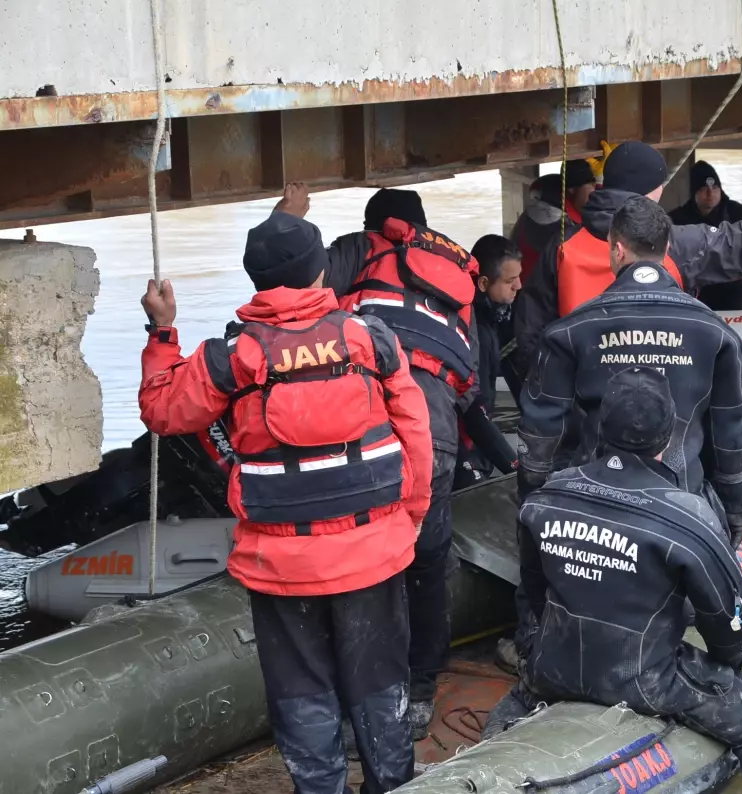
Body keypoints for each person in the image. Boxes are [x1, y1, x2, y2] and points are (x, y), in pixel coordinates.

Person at [137, 210, 434, 794]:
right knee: (380, 687)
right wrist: (408, 523)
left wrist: (162, 332)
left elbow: (163, 411)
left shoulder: (230, 357)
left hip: (282, 568)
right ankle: (392, 785)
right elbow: (416, 437)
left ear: (255, 280)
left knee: (303, 693)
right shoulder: (371, 338)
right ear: (321, 269)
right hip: (373, 554)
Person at [486, 366, 742, 794]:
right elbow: (730, 627)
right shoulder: (688, 516)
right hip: (644, 679)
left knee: (503, 717)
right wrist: (726, 671)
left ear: (601, 426)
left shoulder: (547, 496)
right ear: (669, 435)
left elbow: (533, 594)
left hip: (551, 668)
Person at [273, 182, 486, 739]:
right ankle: (417, 692)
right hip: (434, 430)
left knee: (364, 562)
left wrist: (289, 213)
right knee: (427, 562)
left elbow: (288, 282)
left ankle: (358, 699)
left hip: (368, 427)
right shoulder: (455, 272)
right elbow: (470, 382)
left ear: (374, 225)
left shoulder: (361, 249)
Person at [512, 140, 742, 379]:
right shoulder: (672, 244)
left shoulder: (561, 248)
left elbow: (529, 332)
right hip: (658, 406)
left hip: (582, 397)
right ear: (655, 190)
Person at [518, 196, 742, 545]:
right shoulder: (716, 334)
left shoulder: (569, 331)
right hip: (683, 513)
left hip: (590, 514)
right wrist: (733, 516)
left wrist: (534, 509)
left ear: (616, 249)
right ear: (668, 248)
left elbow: (541, 437)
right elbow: (732, 438)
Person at [454, 234, 522, 490]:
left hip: (476, 441)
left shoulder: (490, 317)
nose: (519, 286)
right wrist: (513, 464)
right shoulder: (477, 331)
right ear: (483, 283)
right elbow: (473, 406)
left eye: (519, 277)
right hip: (465, 447)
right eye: (510, 281)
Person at [668, 160, 742, 310]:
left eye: (715, 187)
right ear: (693, 192)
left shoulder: (738, 213)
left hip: (732, 291)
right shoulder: (677, 219)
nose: (710, 194)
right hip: (694, 294)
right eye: (704, 188)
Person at [510, 160, 596, 282]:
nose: (595, 193)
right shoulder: (551, 221)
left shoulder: (555, 205)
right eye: (591, 186)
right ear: (572, 189)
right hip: (535, 291)